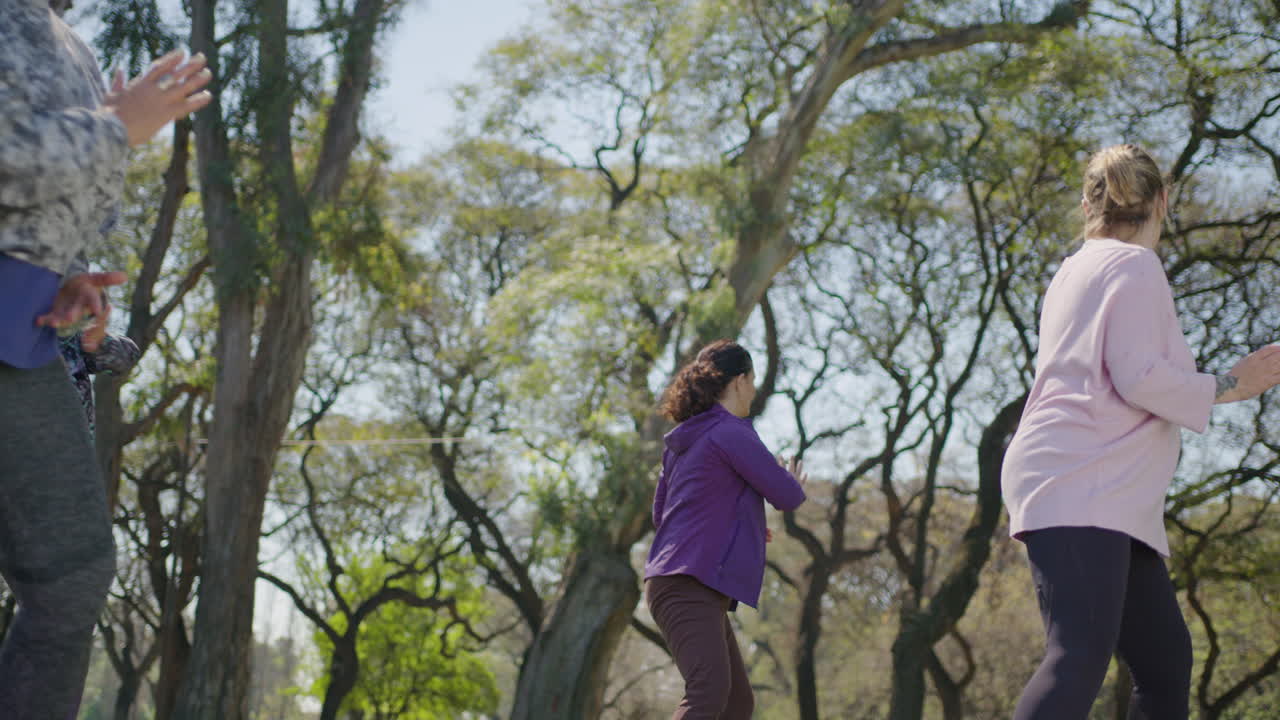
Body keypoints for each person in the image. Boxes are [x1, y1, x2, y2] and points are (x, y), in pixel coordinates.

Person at [1001, 143, 1280, 720]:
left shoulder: (1078, 267)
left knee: (1164, 663)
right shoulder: (1133, 265)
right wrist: (1232, 384)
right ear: (1163, 200)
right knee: (1077, 656)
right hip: (1085, 482)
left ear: (1088, 203)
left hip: (1104, 491)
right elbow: (1139, 377)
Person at [0, 2, 212, 717]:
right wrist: (117, 126)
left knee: (71, 577)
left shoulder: (72, 44)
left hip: (19, 331)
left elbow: (63, 197)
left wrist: (63, 273)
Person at [644, 340, 808, 719]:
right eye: (752, 380)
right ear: (739, 380)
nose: (753, 389)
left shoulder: (683, 442)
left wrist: (737, 524)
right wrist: (793, 482)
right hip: (688, 586)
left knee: (736, 703)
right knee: (708, 694)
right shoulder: (732, 432)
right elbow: (785, 495)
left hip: (680, 582)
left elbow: (663, 516)